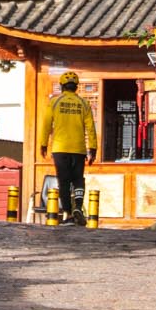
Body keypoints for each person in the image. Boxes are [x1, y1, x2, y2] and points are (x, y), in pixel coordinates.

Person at [40, 71, 98, 226]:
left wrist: (43, 143)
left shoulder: (54, 102)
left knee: (63, 181)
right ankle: (78, 206)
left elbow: (46, 125)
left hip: (60, 148)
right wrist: (93, 148)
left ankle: (67, 213)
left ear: (62, 86)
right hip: (78, 149)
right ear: (76, 87)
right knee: (78, 179)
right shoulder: (84, 103)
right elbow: (91, 127)